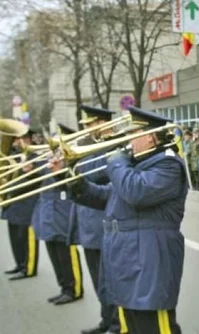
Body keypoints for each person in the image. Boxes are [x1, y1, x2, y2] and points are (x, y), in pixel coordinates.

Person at [51, 107, 188, 333]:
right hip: (126, 255)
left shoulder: (168, 165)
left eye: (134, 134)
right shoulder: (135, 166)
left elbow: (136, 192)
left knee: (153, 324)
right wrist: (69, 179)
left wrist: (117, 161)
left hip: (149, 256)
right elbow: (105, 196)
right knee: (131, 322)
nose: (129, 140)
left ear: (151, 137)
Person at [69, 105, 121, 334]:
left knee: (111, 278)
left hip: (104, 222)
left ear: (102, 123)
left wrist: (75, 158)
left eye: (90, 125)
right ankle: (106, 320)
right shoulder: (88, 147)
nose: (87, 131)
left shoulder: (116, 145)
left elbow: (93, 174)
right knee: (98, 278)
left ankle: (118, 324)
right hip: (87, 222)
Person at [35, 123, 83, 306]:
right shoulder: (50, 159)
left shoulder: (72, 158)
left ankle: (74, 288)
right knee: (53, 250)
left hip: (62, 210)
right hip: (48, 210)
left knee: (65, 251)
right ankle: (63, 287)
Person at [2, 130, 40, 281]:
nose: (18, 142)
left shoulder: (35, 157)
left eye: (22, 139)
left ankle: (28, 268)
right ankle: (19, 264)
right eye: (17, 139)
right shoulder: (15, 156)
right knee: (15, 237)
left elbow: (35, 180)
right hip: (13, 204)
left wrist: (26, 173)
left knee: (27, 238)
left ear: (29, 140)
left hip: (28, 203)